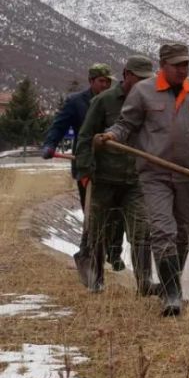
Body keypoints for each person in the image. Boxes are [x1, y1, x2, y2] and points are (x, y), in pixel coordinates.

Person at [95, 42, 189, 316]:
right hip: (154, 174)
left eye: (186, 64)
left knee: (183, 233)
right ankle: (171, 295)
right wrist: (110, 136)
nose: (183, 69)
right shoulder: (143, 92)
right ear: (163, 66)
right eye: (177, 64)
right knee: (162, 231)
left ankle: (172, 281)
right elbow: (126, 125)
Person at [75, 55, 158, 295]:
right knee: (98, 231)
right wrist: (85, 169)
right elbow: (84, 137)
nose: (144, 83)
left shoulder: (150, 102)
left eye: (147, 79)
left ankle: (144, 283)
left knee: (142, 231)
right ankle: (96, 280)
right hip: (104, 179)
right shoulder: (103, 101)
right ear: (126, 75)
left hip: (135, 180)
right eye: (139, 78)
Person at [41, 63, 126, 270]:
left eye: (108, 81)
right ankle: (89, 253)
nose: (105, 85)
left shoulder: (117, 102)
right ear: (91, 81)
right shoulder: (76, 102)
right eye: (101, 81)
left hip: (114, 164)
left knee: (118, 211)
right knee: (93, 212)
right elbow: (59, 126)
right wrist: (50, 144)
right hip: (86, 164)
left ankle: (114, 252)